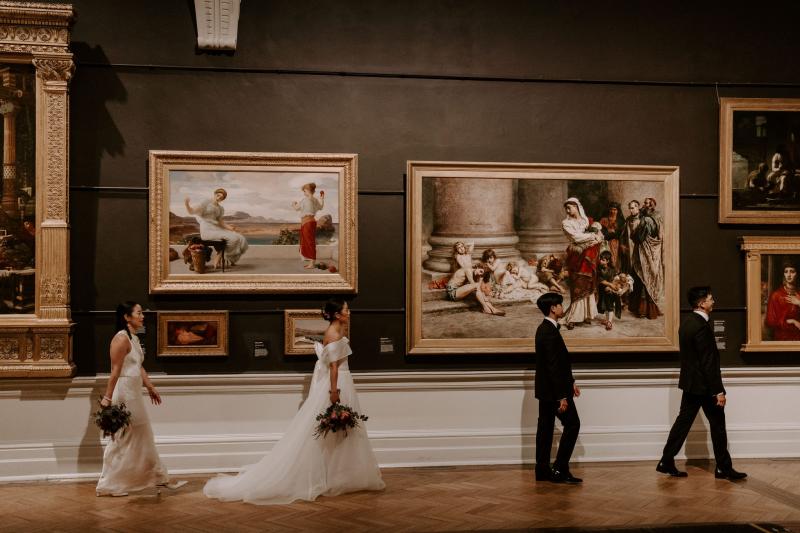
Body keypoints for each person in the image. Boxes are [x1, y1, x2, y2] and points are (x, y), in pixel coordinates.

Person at [204, 299, 385, 505]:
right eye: (346, 309)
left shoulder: (336, 331)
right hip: (337, 383)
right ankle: (330, 476)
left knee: (337, 430)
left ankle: (336, 474)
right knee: (331, 428)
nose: (349, 312)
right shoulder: (334, 334)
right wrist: (334, 392)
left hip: (341, 380)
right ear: (336, 314)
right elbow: (334, 368)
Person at [96, 302, 186, 496]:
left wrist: (150, 386)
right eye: (139, 313)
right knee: (124, 436)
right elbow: (115, 372)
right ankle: (110, 483)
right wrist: (107, 398)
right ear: (127, 317)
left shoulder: (133, 339)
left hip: (134, 391)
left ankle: (156, 477)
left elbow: (139, 366)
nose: (142, 316)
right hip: (125, 393)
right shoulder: (120, 340)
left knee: (142, 435)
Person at [657, 287, 747, 480]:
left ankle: (666, 460)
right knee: (717, 425)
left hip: (692, 385)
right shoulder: (701, 326)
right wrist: (718, 391)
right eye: (710, 299)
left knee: (683, 423)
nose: (713, 301)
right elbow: (708, 362)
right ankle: (723, 467)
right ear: (701, 303)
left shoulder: (687, 323)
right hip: (705, 387)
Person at [534, 292, 582, 484]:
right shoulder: (548, 331)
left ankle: (543, 470)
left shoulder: (545, 329)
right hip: (554, 392)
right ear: (553, 308)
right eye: (560, 305)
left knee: (545, 429)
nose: (562, 307)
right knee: (573, 424)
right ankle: (560, 469)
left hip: (548, 391)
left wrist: (571, 382)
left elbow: (558, 363)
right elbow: (553, 366)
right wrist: (562, 396)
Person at [561, 197, 603, 329]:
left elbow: (600, 235)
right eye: (566, 208)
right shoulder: (566, 223)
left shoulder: (587, 220)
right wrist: (593, 236)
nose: (568, 210)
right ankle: (573, 316)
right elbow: (576, 237)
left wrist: (597, 236)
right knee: (578, 284)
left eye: (570, 207)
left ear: (577, 206)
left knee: (588, 283)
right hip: (577, 256)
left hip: (589, 256)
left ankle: (586, 315)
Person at [185, 188, 249, 268]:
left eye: (221, 198)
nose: (219, 198)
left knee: (240, 238)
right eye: (218, 195)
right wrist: (186, 204)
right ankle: (220, 254)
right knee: (233, 238)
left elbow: (220, 222)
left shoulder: (220, 208)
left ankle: (227, 257)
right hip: (207, 229)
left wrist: (229, 228)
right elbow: (191, 211)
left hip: (216, 228)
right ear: (215, 194)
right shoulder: (205, 204)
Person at [292, 182, 325, 269]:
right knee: (310, 241)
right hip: (312, 222)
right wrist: (322, 198)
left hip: (307, 222)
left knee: (309, 242)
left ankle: (312, 263)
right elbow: (321, 207)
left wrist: (293, 204)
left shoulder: (305, 200)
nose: (304, 193)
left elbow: (296, 208)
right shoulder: (315, 200)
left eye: (304, 191)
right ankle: (311, 261)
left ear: (307, 191)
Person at [765, 261, 800, 341]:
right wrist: (793, 321)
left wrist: (799, 303)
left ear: (797, 274)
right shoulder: (776, 295)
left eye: (792, 271)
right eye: (786, 272)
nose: (789, 275)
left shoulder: (799, 294)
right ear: (783, 274)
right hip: (782, 338)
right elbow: (770, 321)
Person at [596, 250, 621, 331]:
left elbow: (616, 279)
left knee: (610, 306)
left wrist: (611, 287)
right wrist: (610, 285)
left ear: (608, 261)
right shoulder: (599, 269)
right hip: (603, 290)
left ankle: (609, 322)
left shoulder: (612, 269)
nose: (600, 261)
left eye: (603, 260)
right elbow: (601, 280)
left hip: (610, 291)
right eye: (600, 259)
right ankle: (607, 320)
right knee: (605, 306)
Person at [599, 202, 624, 269]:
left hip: (616, 243)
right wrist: (608, 233)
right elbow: (601, 232)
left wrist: (612, 234)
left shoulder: (620, 221)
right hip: (605, 242)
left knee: (615, 259)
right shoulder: (604, 220)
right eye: (611, 209)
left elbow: (620, 234)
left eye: (615, 210)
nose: (613, 211)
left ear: (618, 211)